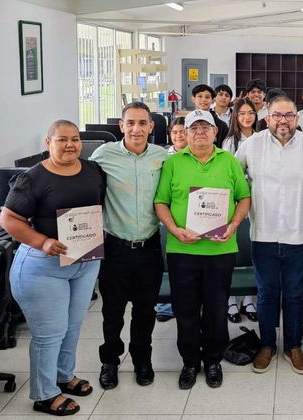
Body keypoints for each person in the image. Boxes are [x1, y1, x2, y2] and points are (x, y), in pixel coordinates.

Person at [1, 120, 105, 416]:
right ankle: (45, 394)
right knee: (50, 333)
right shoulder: (33, 178)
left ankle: (63, 376)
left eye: (75, 139)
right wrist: (42, 241)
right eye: (62, 140)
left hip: (83, 262)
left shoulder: (92, 171)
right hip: (43, 266)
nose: (70, 145)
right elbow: (8, 220)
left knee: (72, 327)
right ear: (48, 143)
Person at [154, 109, 251, 389]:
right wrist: (174, 229)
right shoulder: (173, 163)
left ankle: (212, 361)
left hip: (220, 251)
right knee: (185, 309)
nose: (199, 133)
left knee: (216, 309)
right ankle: (189, 362)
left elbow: (244, 198)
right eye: (193, 128)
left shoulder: (229, 161)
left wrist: (233, 225)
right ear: (184, 133)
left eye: (204, 128)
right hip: (182, 250)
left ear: (215, 132)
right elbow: (161, 202)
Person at [235, 95, 303, 376]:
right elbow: (234, 179)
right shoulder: (252, 145)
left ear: (296, 119)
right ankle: (267, 344)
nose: (282, 121)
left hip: (298, 234)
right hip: (263, 232)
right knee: (266, 293)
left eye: (288, 115)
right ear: (267, 117)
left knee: (295, 294)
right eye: (277, 115)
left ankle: (294, 346)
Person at [90, 102, 167, 390]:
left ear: (151, 127)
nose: (136, 129)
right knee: (112, 311)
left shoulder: (162, 157)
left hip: (149, 248)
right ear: (121, 126)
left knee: (145, 311)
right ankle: (109, 360)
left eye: (142, 123)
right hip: (115, 249)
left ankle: (142, 360)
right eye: (130, 123)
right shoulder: (103, 155)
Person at [222, 98, 259, 323]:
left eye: (251, 113)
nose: (247, 117)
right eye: (242, 113)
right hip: (235, 201)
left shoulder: (263, 138)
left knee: (252, 249)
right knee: (234, 252)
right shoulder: (229, 142)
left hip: (258, 201)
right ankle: (231, 302)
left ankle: (248, 300)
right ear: (235, 116)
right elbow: (229, 174)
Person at [156, 116, 188, 323]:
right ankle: (166, 305)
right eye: (174, 132)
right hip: (165, 215)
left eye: (182, 132)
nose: (178, 135)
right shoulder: (161, 156)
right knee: (168, 263)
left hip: (190, 216)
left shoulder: (196, 154)